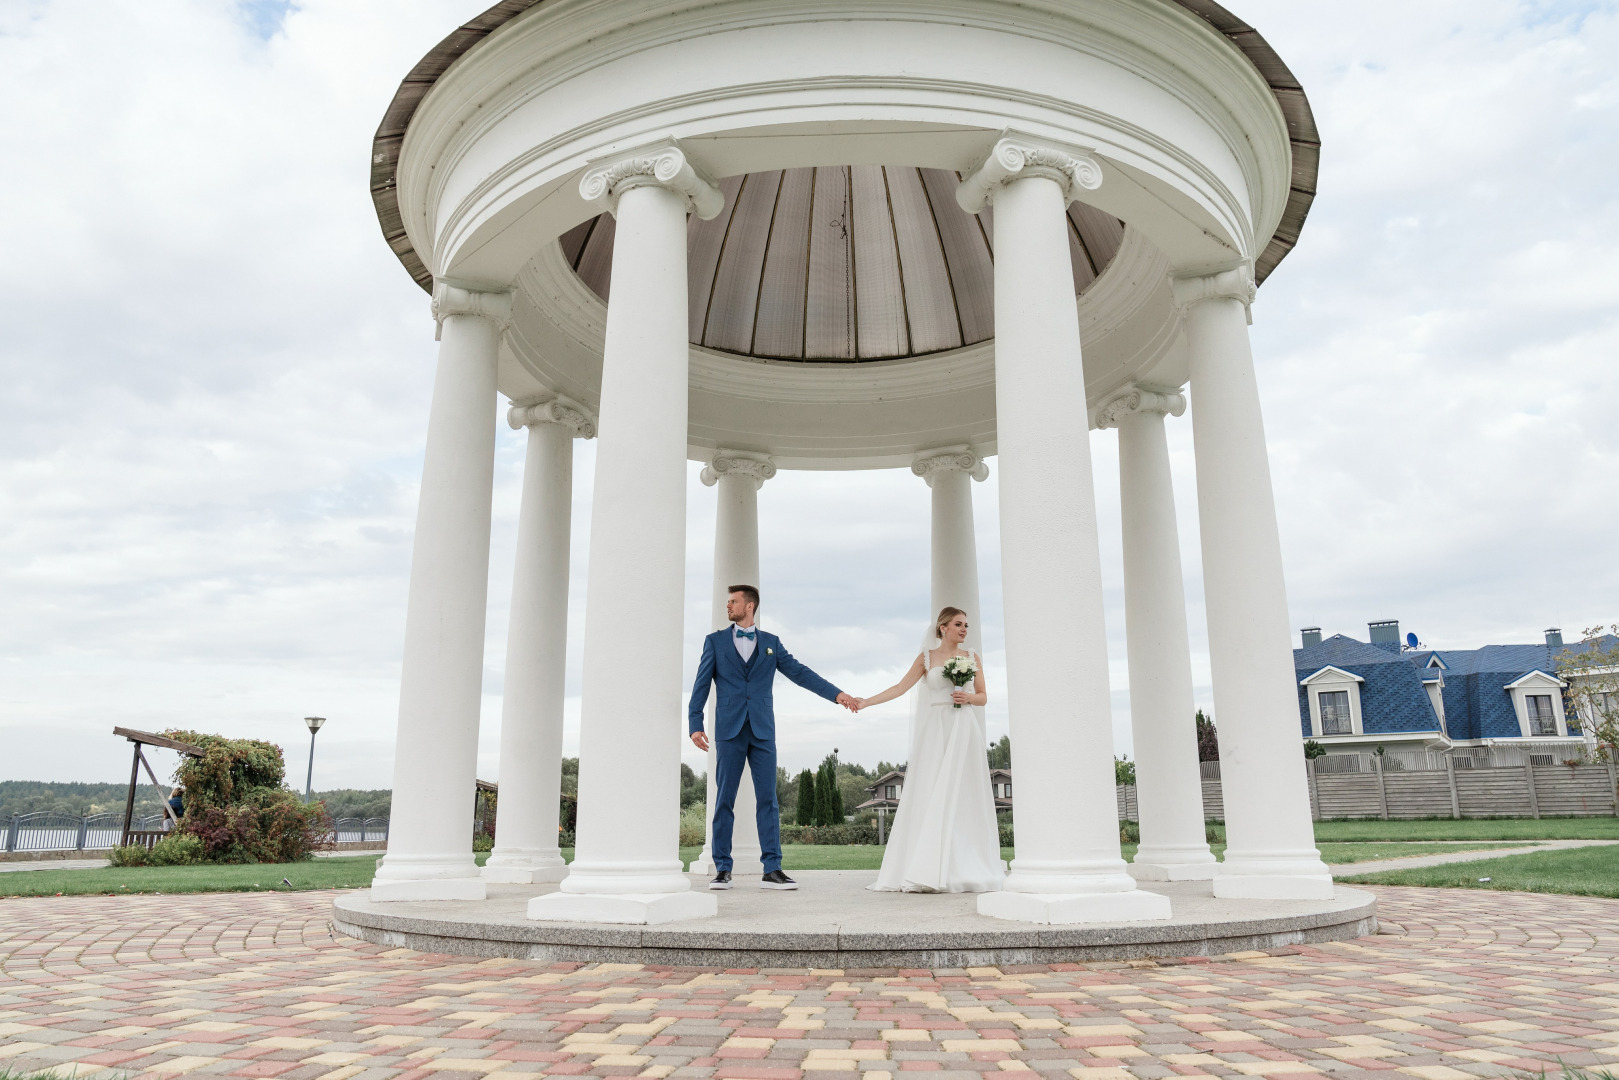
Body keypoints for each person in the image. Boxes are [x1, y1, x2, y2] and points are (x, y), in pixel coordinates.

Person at [689, 584, 858, 891]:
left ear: (749, 605)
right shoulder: (714, 642)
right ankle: (723, 869)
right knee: (724, 799)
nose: (728, 606)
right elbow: (701, 683)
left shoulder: (771, 643)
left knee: (768, 800)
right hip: (728, 730)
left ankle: (772, 869)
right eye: (728, 602)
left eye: (733, 602)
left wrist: (838, 694)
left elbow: (801, 673)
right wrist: (694, 722)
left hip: (763, 731)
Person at [854, 608, 1004, 893]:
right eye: (958, 624)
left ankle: (965, 863)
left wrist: (969, 697)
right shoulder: (927, 658)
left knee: (964, 791)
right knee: (931, 789)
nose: (964, 629)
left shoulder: (972, 657)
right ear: (943, 627)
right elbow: (900, 687)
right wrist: (866, 702)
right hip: (936, 730)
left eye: (966, 625)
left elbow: (984, 696)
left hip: (963, 727)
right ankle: (926, 864)